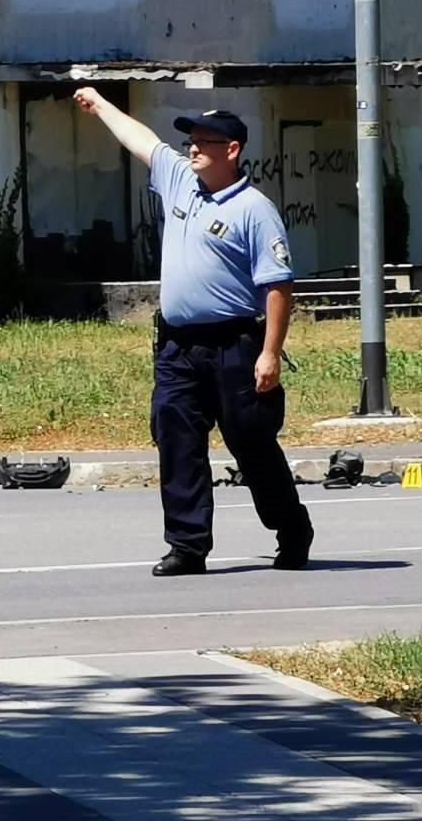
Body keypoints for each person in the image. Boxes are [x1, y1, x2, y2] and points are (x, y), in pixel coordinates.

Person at [73, 89, 313, 576]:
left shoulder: (254, 210)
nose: (193, 149)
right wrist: (100, 105)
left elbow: (278, 288)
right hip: (179, 346)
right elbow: (142, 140)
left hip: (235, 346)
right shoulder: (180, 181)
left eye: (205, 142)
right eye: (191, 141)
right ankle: (187, 545)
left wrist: (270, 354)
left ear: (232, 150)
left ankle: (292, 530)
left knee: (252, 444)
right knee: (177, 438)